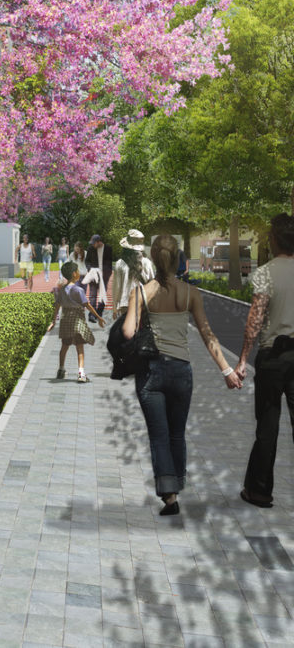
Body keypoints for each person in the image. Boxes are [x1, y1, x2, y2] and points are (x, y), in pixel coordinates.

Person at [122, 238, 240, 516]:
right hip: (182, 371)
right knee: (177, 433)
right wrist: (227, 370)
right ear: (177, 260)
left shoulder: (141, 292)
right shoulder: (190, 294)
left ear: (153, 258)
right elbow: (208, 335)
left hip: (151, 372)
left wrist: (134, 315)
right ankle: (178, 482)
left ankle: (170, 496)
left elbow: (128, 332)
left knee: (159, 435)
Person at [239, 214, 294, 509]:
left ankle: (259, 490)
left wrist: (243, 359)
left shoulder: (266, 273)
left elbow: (255, 320)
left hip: (273, 356)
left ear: (274, 240)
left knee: (268, 426)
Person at [52, 262, 102, 383]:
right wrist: (98, 317)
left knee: (64, 346)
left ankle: (61, 369)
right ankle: (81, 374)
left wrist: (53, 321)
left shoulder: (62, 290)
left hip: (65, 322)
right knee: (80, 348)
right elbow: (88, 305)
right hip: (77, 321)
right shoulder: (78, 290)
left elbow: (57, 306)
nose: (80, 273)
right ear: (74, 274)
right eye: (78, 271)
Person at [87, 235, 114, 318]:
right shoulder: (90, 249)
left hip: (104, 276)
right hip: (93, 275)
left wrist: (105, 273)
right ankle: (92, 313)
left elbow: (109, 263)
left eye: (94, 243)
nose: (92, 245)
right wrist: (90, 270)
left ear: (99, 242)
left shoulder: (108, 249)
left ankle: (99, 312)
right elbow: (87, 261)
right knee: (92, 295)